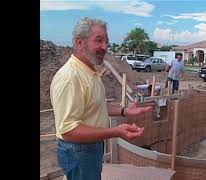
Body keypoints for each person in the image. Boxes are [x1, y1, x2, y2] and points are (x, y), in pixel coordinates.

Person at [50, 17, 152, 180]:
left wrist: (124, 111)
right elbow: (68, 131)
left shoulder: (89, 71)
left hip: (89, 148)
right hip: (78, 152)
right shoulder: (70, 78)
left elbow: (96, 105)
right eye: (98, 40)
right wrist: (115, 132)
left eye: (106, 41)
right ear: (79, 42)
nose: (105, 47)